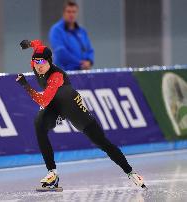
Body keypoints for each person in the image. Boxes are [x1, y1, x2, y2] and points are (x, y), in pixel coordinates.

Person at [17, 39, 146, 190]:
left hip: (72, 106)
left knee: (102, 142)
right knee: (39, 123)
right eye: (35, 62)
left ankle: (131, 172)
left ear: (50, 61)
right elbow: (37, 45)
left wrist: (26, 85)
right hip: (54, 106)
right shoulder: (36, 62)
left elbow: (43, 101)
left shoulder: (56, 76)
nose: (38, 65)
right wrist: (29, 43)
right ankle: (52, 174)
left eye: (42, 62)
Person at [49, 1, 94, 71]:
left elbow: (89, 50)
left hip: (83, 73)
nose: (71, 14)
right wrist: (80, 63)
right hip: (64, 74)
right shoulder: (56, 30)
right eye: (69, 12)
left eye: (74, 12)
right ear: (63, 13)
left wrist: (89, 61)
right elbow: (60, 52)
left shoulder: (82, 31)